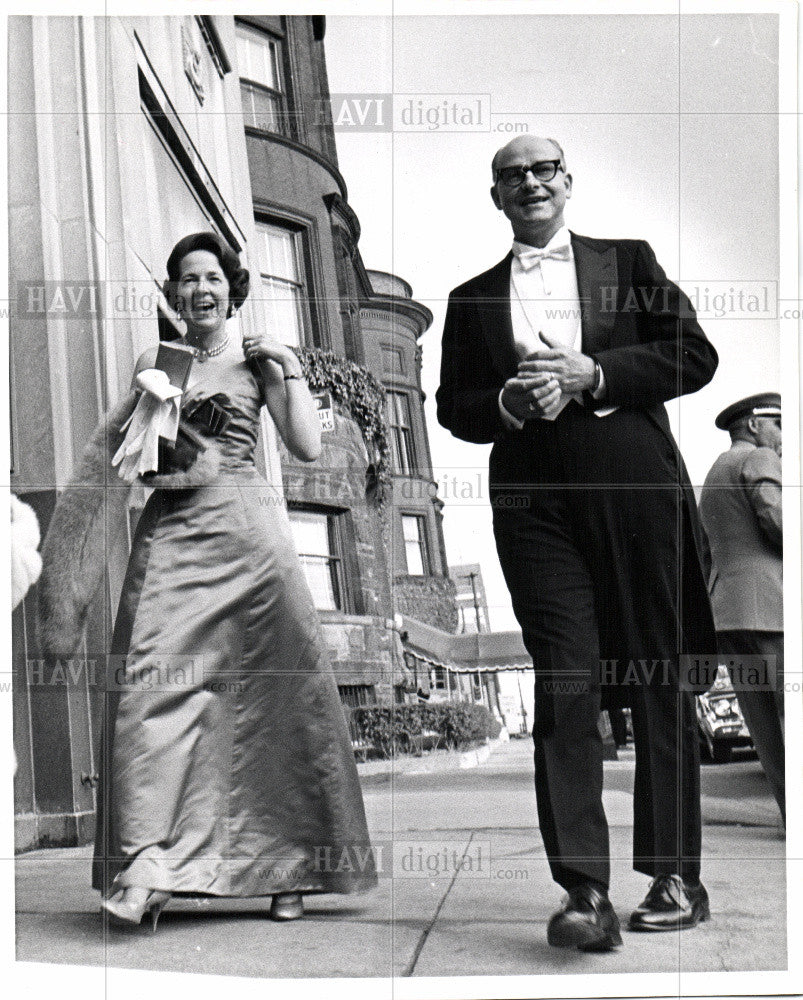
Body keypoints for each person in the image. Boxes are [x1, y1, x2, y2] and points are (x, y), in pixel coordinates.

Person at [436, 136, 718, 951]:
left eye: (542, 170)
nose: (528, 183)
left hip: (633, 484)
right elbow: (455, 406)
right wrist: (509, 403)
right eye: (511, 176)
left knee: (656, 674)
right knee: (565, 682)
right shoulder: (472, 297)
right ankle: (583, 893)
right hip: (533, 501)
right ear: (495, 198)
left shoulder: (626, 261)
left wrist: (593, 374)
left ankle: (673, 876)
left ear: (567, 182)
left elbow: (693, 355)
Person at [62, 232, 375, 928]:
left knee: (276, 699)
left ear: (232, 289)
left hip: (248, 532)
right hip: (171, 532)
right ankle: (147, 867)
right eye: (186, 279)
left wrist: (289, 371)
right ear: (174, 294)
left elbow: (304, 445)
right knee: (149, 690)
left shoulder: (259, 357)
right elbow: (140, 466)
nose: (200, 289)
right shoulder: (158, 359)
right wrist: (150, 411)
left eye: (212, 277)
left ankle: (289, 866)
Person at [698, 393, 784, 820]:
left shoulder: (714, 475)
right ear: (754, 425)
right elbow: (776, 520)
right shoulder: (761, 459)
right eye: (779, 425)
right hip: (773, 610)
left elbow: (704, 555)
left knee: (766, 729)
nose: (783, 437)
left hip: (729, 617)